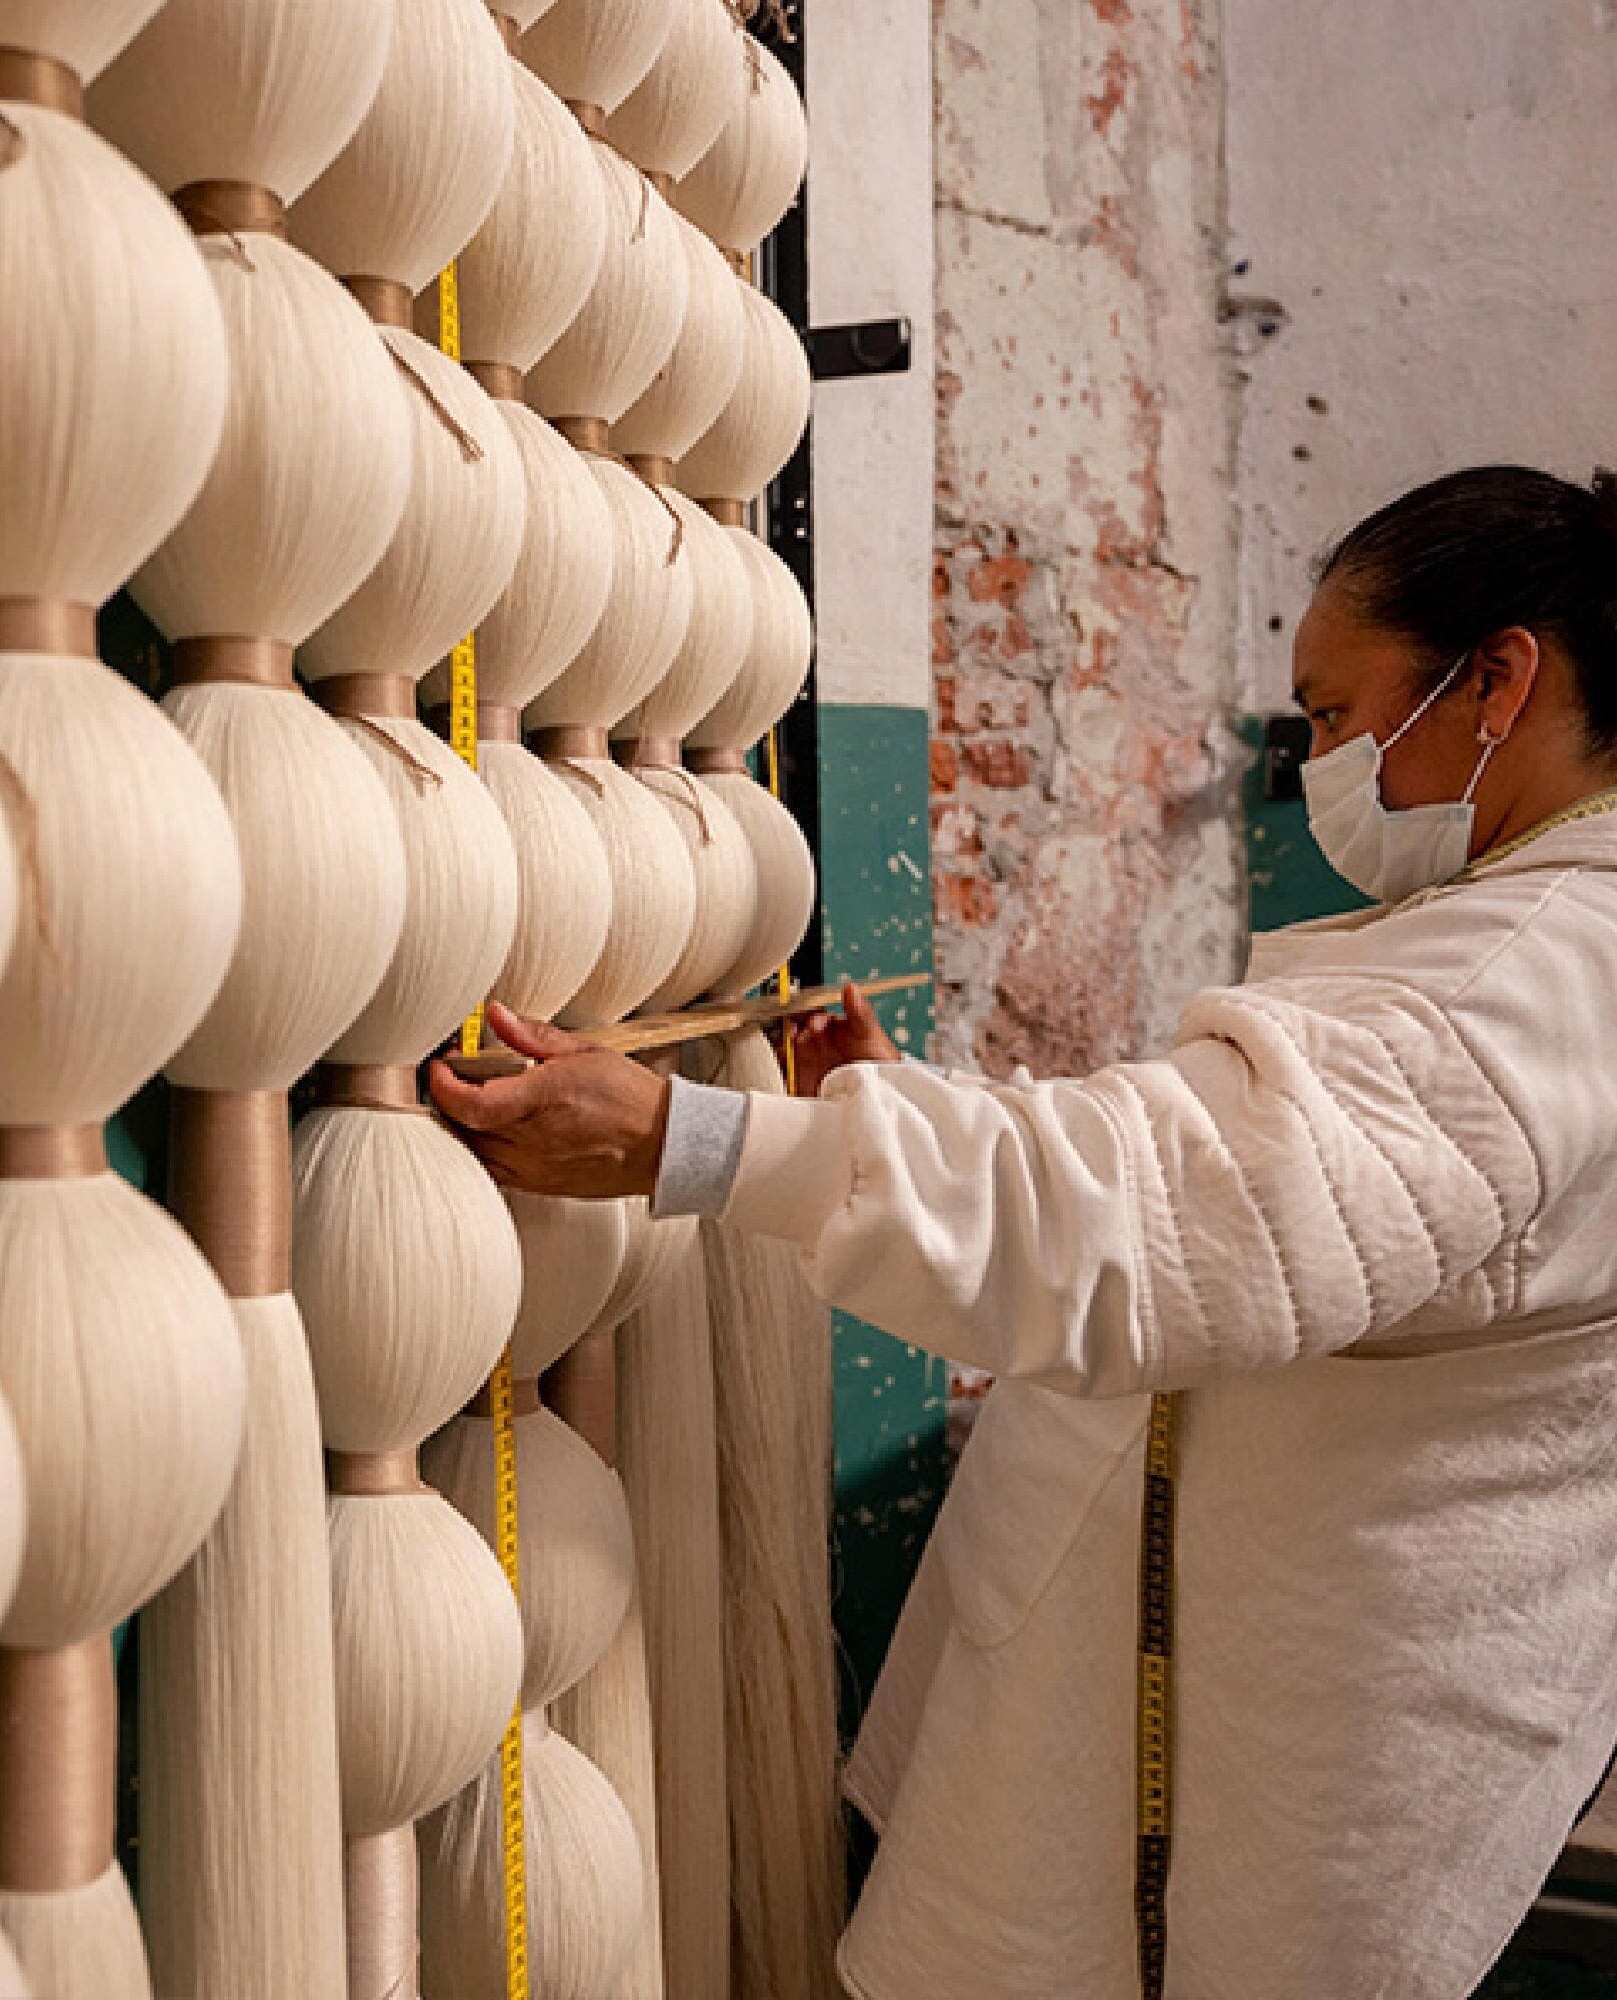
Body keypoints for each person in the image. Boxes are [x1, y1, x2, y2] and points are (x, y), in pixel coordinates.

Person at [428, 465, 1617, 2000]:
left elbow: (1167, 1224)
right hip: (1218, 1713)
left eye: (1334, 715)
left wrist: (695, 1141)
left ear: (1497, 680)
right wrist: (905, 1121)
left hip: (1282, 1759)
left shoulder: (1540, 970)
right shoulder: (1516, 939)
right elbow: (1237, 1178)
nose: (1320, 762)